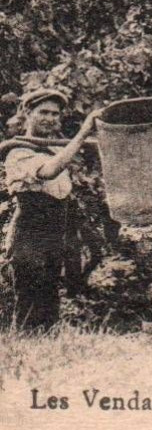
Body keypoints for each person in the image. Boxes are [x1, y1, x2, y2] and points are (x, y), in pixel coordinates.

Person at [2, 90, 100, 331]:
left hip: (54, 239)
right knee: (29, 306)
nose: (50, 118)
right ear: (27, 113)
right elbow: (48, 172)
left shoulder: (55, 149)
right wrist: (84, 131)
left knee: (49, 306)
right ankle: (24, 359)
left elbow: (62, 193)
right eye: (43, 112)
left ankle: (48, 359)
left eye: (55, 114)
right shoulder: (18, 152)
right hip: (29, 237)